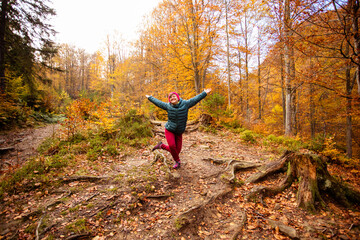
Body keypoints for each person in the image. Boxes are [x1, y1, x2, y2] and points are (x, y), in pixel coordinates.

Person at [146, 89, 211, 169]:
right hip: (169, 129)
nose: (172, 98)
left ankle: (161, 146)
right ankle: (177, 161)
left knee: (177, 151)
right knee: (172, 146)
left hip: (179, 131)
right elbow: (158, 103)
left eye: (174, 96)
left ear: (177, 97)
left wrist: (204, 93)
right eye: (170, 97)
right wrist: (150, 97)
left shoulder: (186, 104)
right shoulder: (168, 106)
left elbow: (195, 99)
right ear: (169, 100)